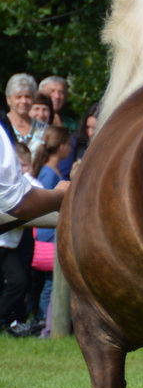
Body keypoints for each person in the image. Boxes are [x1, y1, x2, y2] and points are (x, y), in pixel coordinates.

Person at [0, 122, 68, 333]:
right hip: (14, 240)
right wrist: (60, 195)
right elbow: (16, 201)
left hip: (13, 241)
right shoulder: (48, 175)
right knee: (22, 283)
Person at [25, 125, 69, 336]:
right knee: (49, 286)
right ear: (62, 147)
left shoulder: (49, 171)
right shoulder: (50, 175)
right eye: (68, 144)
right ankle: (44, 323)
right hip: (48, 239)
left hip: (47, 239)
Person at [3, 73, 38, 146]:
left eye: (28, 97)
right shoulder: (2, 126)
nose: (24, 101)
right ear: (8, 99)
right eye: (18, 97)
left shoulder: (43, 130)